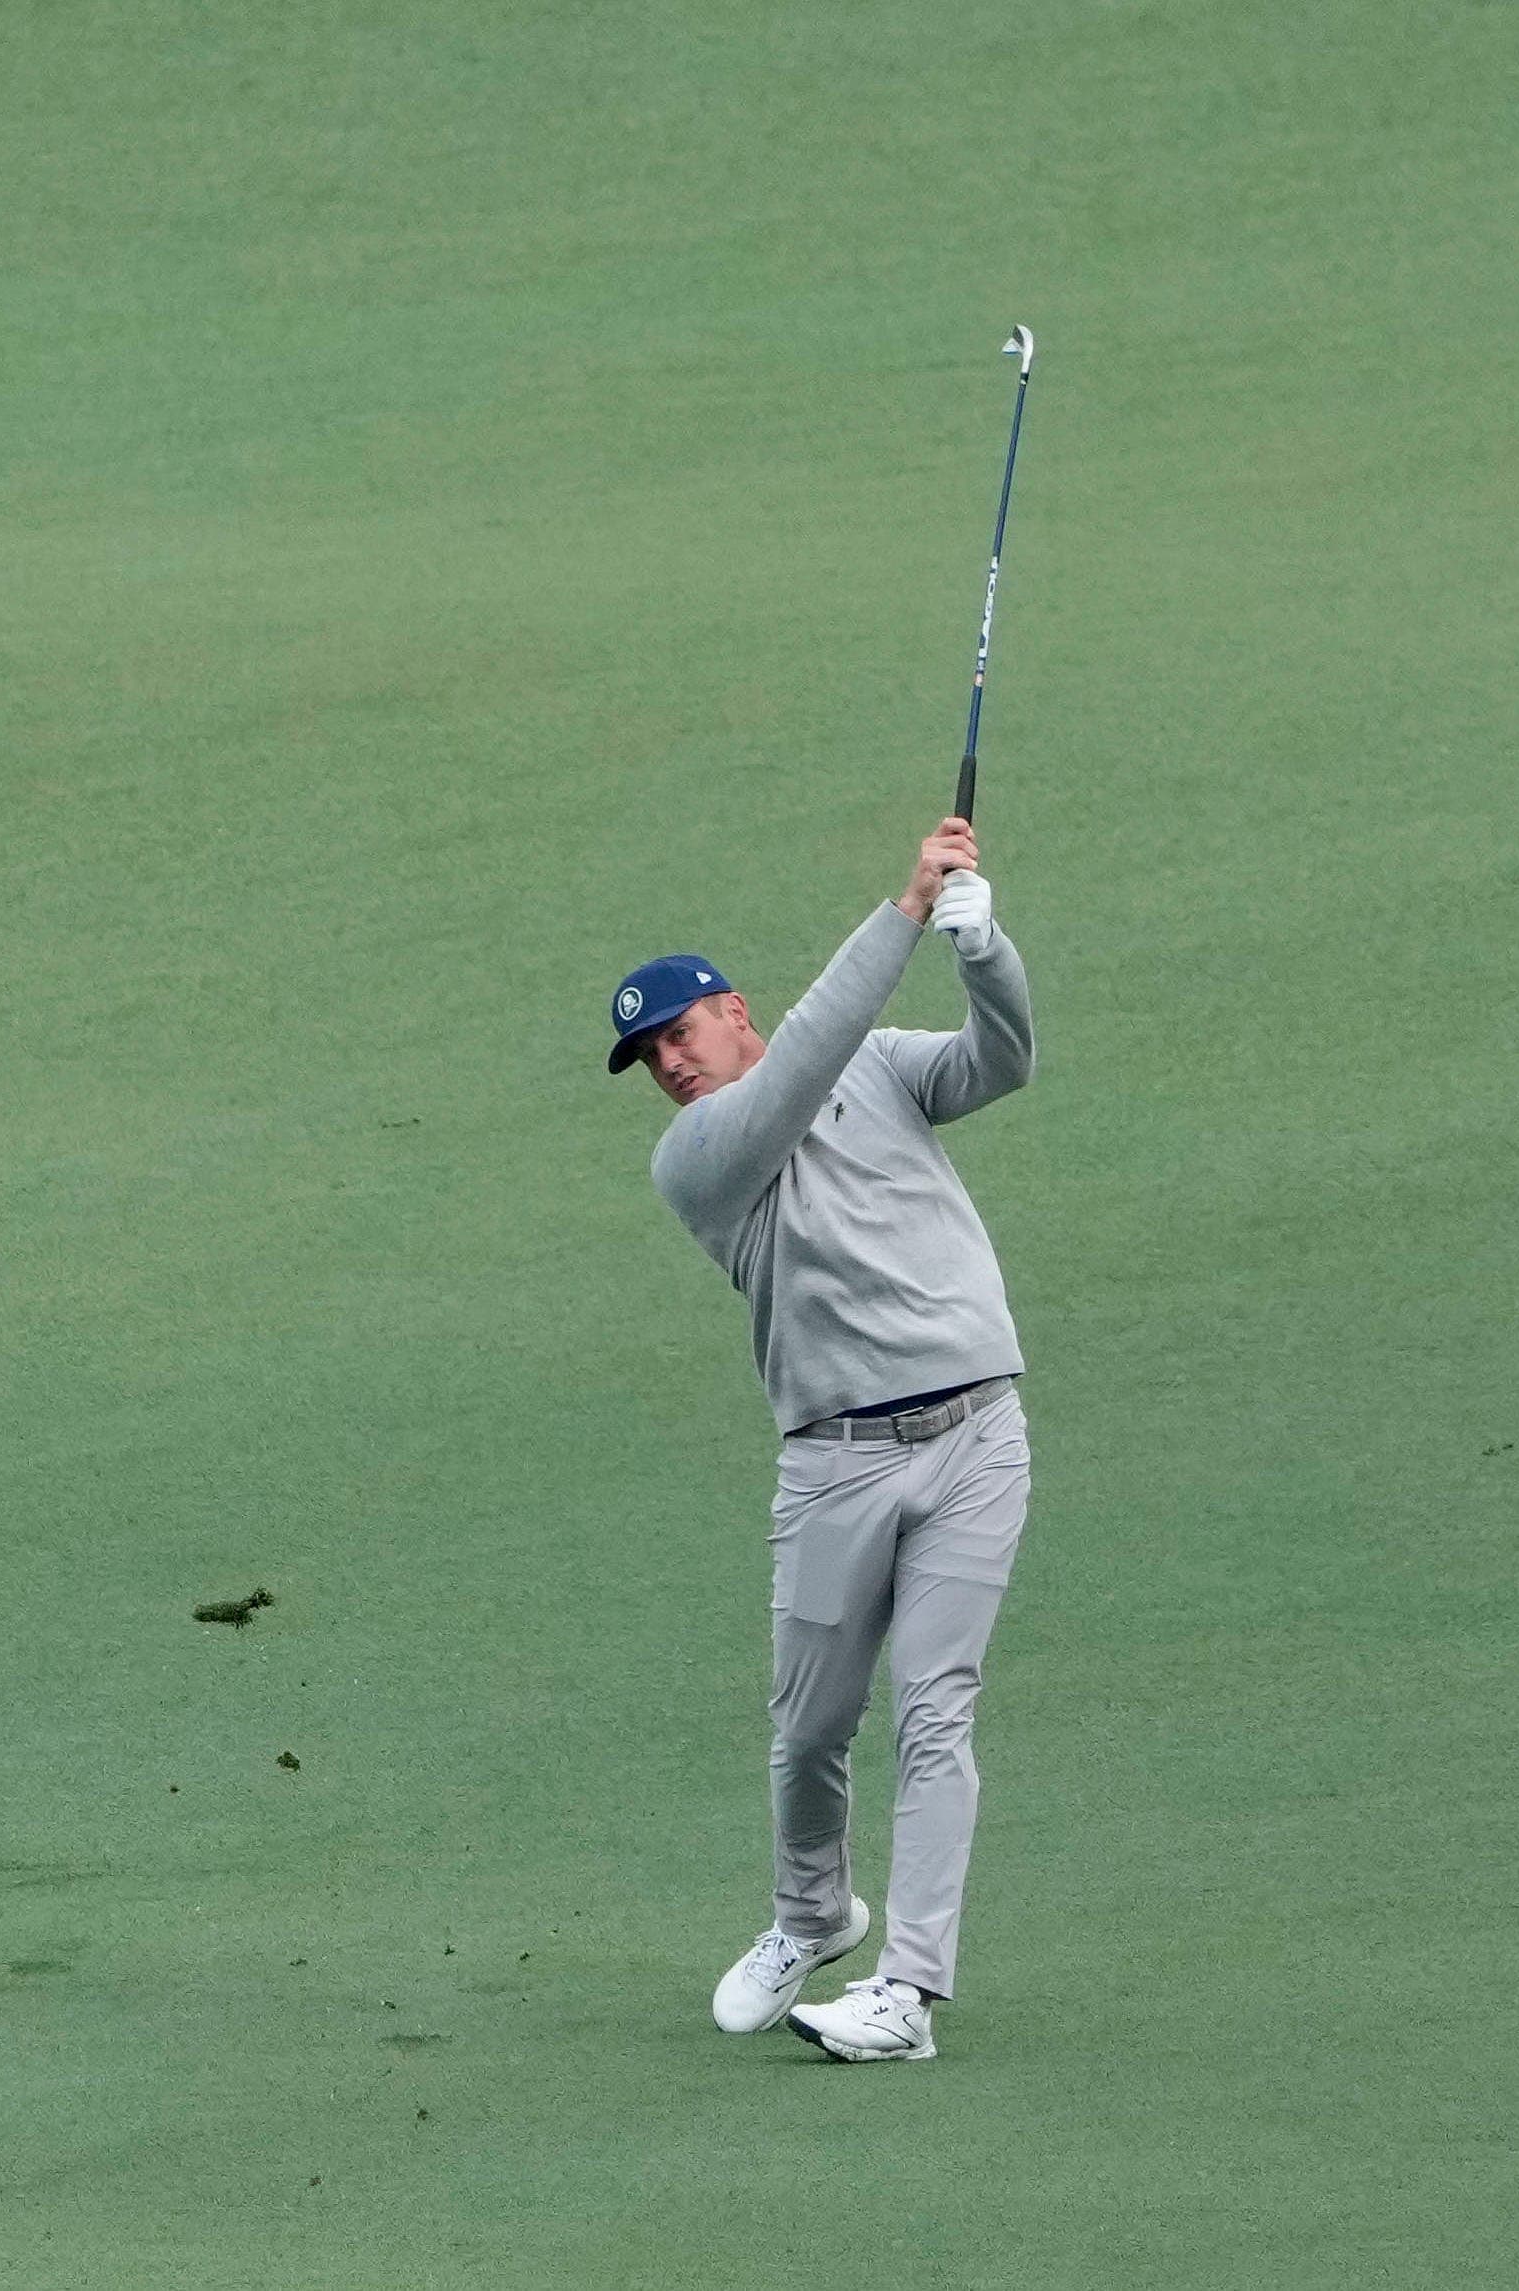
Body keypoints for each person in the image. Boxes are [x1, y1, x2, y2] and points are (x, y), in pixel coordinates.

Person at [610, 816, 1033, 2063]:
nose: (670, 1064)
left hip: (976, 1435)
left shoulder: (886, 1066)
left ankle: (908, 1991)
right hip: (834, 1459)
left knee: (937, 1708)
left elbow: (1003, 1062)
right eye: (648, 1056)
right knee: (810, 1727)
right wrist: (903, 910)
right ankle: (812, 1913)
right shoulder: (697, 1158)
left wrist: (984, 951)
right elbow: (803, 1061)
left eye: (680, 1033)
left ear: (732, 1011)